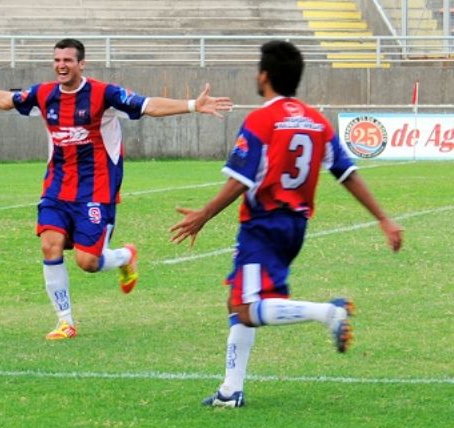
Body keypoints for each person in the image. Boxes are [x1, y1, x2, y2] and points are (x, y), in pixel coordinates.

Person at [0, 38, 233, 340]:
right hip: (56, 187)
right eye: (57, 60)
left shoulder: (103, 94)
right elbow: (8, 99)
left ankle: (124, 256)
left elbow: (148, 106)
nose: (61, 65)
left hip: (96, 191)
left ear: (81, 64)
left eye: (68, 60)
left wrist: (192, 106)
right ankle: (65, 321)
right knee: (49, 244)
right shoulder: (45, 94)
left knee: (88, 262)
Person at [169, 40, 404, 407]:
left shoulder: (262, 119)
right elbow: (347, 174)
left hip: (263, 224)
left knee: (248, 307)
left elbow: (239, 179)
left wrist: (203, 215)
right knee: (237, 302)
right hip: (295, 226)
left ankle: (329, 312)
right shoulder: (316, 120)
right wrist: (384, 219)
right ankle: (230, 391)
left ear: (264, 76)